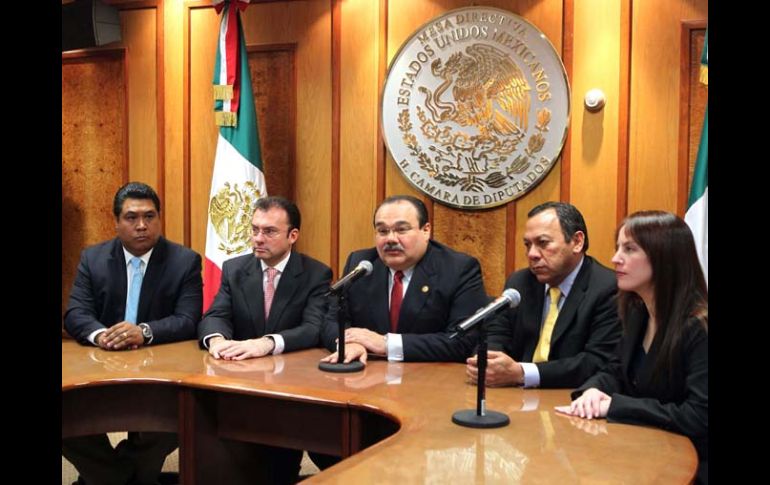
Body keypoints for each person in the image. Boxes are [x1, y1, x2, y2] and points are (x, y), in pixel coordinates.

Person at [63, 182, 203, 485]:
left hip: (160, 371)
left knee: (172, 422)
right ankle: (119, 477)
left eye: (150, 216)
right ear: (116, 222)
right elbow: (75, 314)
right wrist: (102, 335)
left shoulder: (184, 261)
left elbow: (189, 319)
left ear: (159, 219)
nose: (142, 225)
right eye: (131, 217)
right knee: (67, 418)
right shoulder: (94, 258)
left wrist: (144, 332)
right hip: (100, 367)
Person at [556, 211, 708, 484]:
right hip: (645, 451)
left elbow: (698, 416)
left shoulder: (700, 327)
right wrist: (594, 389)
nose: (615, 258)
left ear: (664, 257)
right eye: (617, 248)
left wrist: (615, 405)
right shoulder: (637, 311)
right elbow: (615, 369)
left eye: (629, 249)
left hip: (693, 466)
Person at [198, 196, 332, 484]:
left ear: (292, 236)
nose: (258, 238)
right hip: (241, 384)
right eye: (254, 229)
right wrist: (217, 340)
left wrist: (266, 343)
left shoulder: (316, 274)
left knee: (279, 463)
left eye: (269, 231)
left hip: (292, 389)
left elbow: (313, 328)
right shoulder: (235, 269)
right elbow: (215, 314)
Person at [467, 201, 620, 389]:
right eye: (527, 244)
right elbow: (497, 333)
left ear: (577, 242)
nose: (532, 254)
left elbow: (597, 361)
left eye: (543, 243)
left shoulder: (608, 288)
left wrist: (522, 374)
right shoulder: (520, 283)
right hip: (515, 398)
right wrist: (489, 362)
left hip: (570, 398)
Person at [320, 194, 489, 365]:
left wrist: (387, 344)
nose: (391, 239)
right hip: (368, 375)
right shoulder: (361, 264)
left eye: (401, 230)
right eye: (383, 231)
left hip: (431, 379)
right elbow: (332, 321)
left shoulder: (458, 269)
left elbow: (462, 340)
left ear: (426, 230)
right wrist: (348, 344)